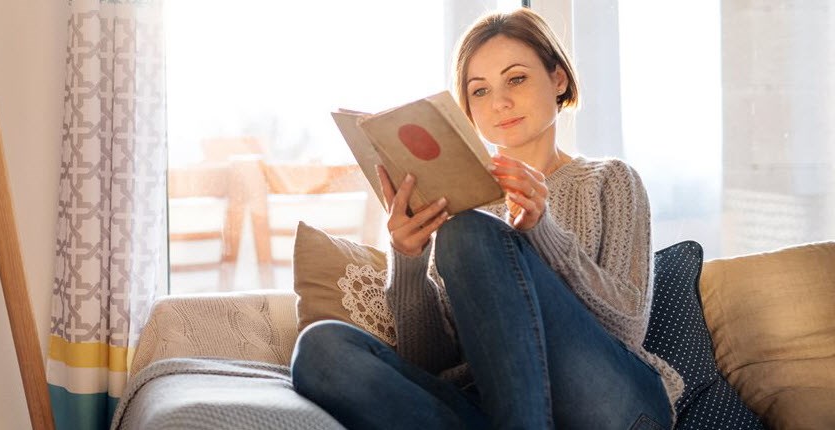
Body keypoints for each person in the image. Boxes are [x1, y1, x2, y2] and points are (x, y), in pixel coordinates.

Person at [291, 7, 683, 429]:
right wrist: (409, 260)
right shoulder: (459, 205)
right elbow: (431, 363)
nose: (500, 102)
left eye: (516, 78)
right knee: (321, 349)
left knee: (469, 234)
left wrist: (542, 231)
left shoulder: (610, 180)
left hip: (614, 403)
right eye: (479, 91)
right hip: (489, 407)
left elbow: (626, 328)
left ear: (558, 79)